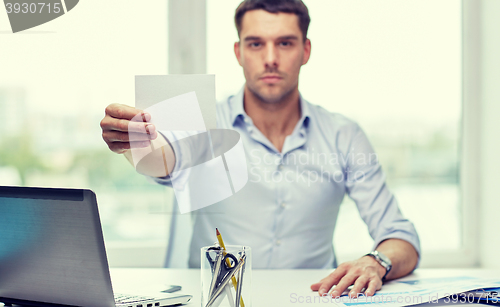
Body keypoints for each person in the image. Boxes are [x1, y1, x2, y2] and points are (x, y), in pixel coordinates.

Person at [100, 0, 420, 298]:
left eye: (285, 43)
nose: (270, 58)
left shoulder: (343, 136)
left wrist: (377, 261)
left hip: (313, 300)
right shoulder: (206, 124)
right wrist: (134, 143)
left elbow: (402, 238)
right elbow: (164, 159)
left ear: (305, 50)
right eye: (256, 44)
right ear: (239, 52)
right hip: (217, 300)